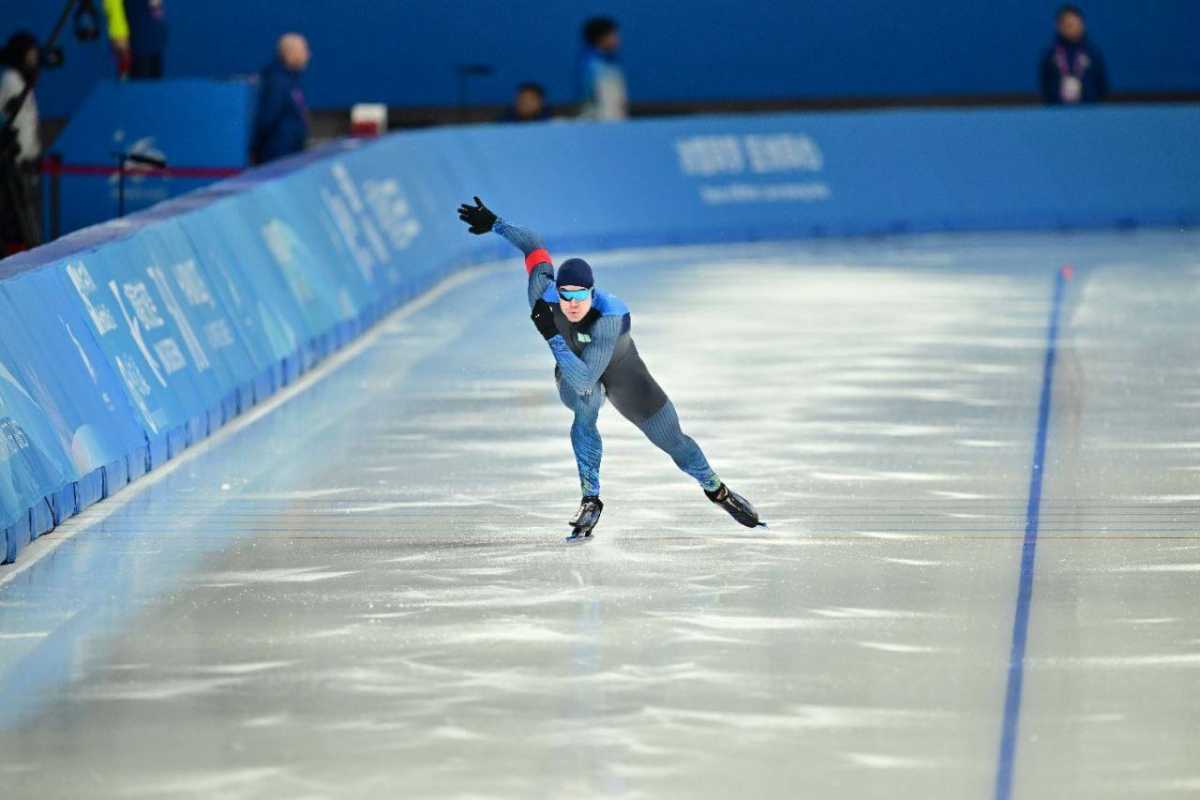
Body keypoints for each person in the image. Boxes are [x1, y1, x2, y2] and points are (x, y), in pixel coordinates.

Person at [457, 197, 765, 540]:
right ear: (555, 290)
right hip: (573, 374)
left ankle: (717, 490)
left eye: (580, 297)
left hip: (623, 374)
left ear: (593, 292)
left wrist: (551, 336)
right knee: (586, 406)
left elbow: (588, 377)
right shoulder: (542, 294)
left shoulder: (610, 317)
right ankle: (590, 499)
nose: (571, 305)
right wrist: (497, 223)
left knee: (673, 440)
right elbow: (533, 245)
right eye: (565, 296)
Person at [0, 31, 42, 250]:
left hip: (28, 163)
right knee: (17, 221)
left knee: (31, 217)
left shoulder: (24, 82)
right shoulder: (10, 80)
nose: (34, 60)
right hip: (14, 166)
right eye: (30, 55)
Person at [251, 33, 311, 165]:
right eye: (304, 50)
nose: (308, 55)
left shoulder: (290, 80)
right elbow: (266, 119)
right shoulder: (277, 82)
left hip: (290, 155)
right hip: (277, 158)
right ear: (291, 53)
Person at [1039, 5, 1109, 105]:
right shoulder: (1050, 54)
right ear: (1059, 27)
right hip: (1057, 111)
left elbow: (1102, 86)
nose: (1073, 28)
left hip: (1090, 110)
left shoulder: (1093, 53)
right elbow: (1045, 85)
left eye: (1077, 24)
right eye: (1069, 25)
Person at [577, 16, 628, 121]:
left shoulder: (613, 63)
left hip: (617, 120)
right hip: (598, 123)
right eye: (613, 35)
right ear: (601, 37)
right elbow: (591, 99)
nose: (618, 39)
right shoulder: (590, 66)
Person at [104, 0, 168, 80]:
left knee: (154, 84)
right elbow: (113, 5)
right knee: (138, 85)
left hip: (153, 37)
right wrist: (118, 34)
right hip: (134, 40)